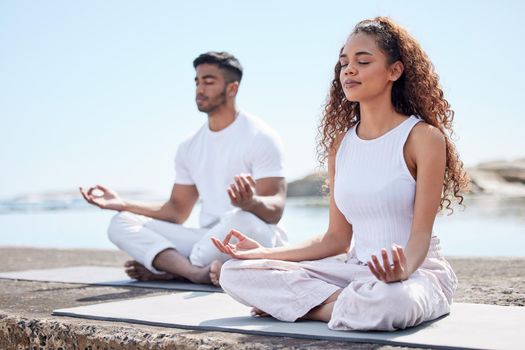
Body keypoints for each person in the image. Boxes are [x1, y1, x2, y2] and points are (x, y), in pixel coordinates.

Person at [212, 17, 470, 331]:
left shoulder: (423, 138)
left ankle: (311, 307)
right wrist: (264, 252)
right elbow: (336, 238)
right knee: (235, 271)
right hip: (354, 272)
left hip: (414, 274)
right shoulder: (341, 144)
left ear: (395, 70)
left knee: (392, 303)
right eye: (344, 62)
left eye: (363, 61)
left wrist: (401, 270)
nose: (348, 70)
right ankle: (345, 305)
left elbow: (419, 237)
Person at [80, 51, 287, 286]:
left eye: (209, 82)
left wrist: (249, 203)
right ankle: (194, 272)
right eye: (197, 82)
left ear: (232, 89)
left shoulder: (261, 136)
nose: (200, 89)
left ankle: (174, 268)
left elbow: (275, 210)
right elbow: (176, 211)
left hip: (253, 234)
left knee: (241, 218)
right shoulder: (189, 146)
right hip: (206, 239)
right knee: (120, 222)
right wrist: (120, 203)